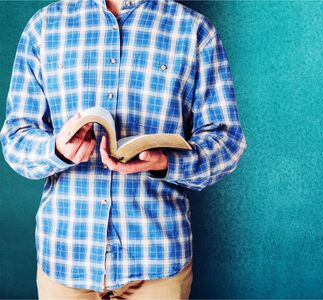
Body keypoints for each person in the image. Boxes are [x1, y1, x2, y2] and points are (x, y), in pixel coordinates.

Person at [0, 0, 247, 298]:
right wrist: (57, 151)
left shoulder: (194, 31)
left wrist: (166, 163)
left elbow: (227, 141)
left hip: (158, 263)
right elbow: (15, 138)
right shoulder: (44, 27)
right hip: (65, 257)